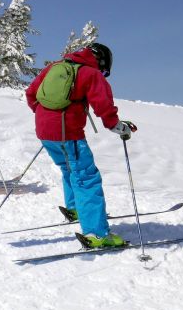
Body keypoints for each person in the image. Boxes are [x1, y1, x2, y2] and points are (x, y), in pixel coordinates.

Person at [24, 43, 137, 249]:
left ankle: (75, 209)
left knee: (69, 169)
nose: (102, 72)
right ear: (101, 61)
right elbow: (104, 107)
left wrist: (47, 118)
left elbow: (31, 94)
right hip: (68, 134)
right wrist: (118, 126)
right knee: (86, 177)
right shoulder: (91, 74)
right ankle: (97, 234)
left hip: (44, 131)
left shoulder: (53, 67)